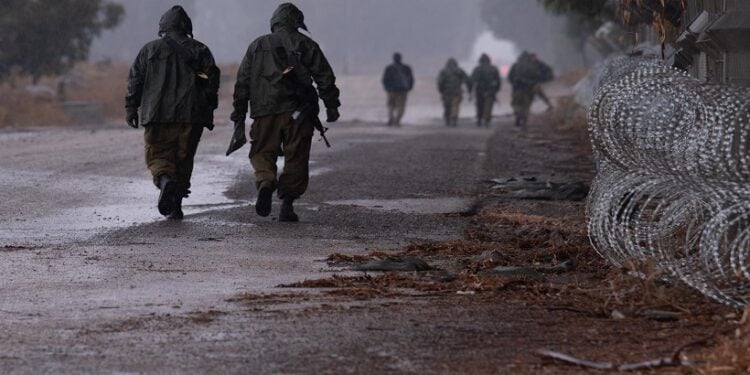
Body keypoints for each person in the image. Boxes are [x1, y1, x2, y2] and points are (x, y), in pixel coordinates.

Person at [230, 2, 341, 222]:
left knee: (262, 152)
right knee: (296, 156)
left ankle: (265, 182)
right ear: (297, 22)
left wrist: (239, 115)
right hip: (298, 112)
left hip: (263, 112)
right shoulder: (306, 43)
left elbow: (242, 83)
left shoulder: (256, 45)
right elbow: (324, 76)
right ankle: (287, 205)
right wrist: (331, 105)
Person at [125, 5, 220, 220]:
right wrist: (208, 109)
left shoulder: (149, 50)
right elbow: (212, 82)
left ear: (163, 27)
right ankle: (176, 205)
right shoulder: (201, 50)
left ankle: (165, 180)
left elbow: (135, 80)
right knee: (184, 158)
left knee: (158, 155)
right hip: (190, 115)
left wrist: (131, 107)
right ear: (187, 26)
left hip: (156, 114)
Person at [508, 52, 554, 127]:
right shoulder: (533, 66)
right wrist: (538, 82)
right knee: (526, 105)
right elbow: (538, 76)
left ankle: (518, 114)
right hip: (529, 89)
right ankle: (524, 120)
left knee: (515, 104)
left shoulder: (515, 65)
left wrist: (514, 83)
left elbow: (510, 77)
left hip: (517, 89)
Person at [468, 54, 501, 127]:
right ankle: (487, 120)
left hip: (479, 90)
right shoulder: (493, 69)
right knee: (488, 105)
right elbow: (498, 81)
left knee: (479, 105)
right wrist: (496, 90)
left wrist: (470, 91)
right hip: (490, 90)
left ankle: (479, 119)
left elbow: (471, 80)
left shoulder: (477, 69)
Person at [381, 53, 414, 126]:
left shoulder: (389, 68)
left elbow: (384, 79)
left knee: (390, 105)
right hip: (402, 90)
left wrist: (387, 88)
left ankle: (391, 118)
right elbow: (411, 79)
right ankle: (397, 120)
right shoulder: (406, 68)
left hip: (391, 90)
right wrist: (409, 88)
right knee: (401, 106)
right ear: (401, 58)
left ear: (393, 59)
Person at [437, 58, 469, 127]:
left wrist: (441, 90)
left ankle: (447, 119)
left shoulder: (443, 71)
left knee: (447, 106)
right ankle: (454, 118)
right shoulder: (459, 71)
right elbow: (466, 79)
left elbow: (439, 82)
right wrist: (468, 89)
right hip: (456, 92)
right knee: (455, 105)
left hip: (446, 92)